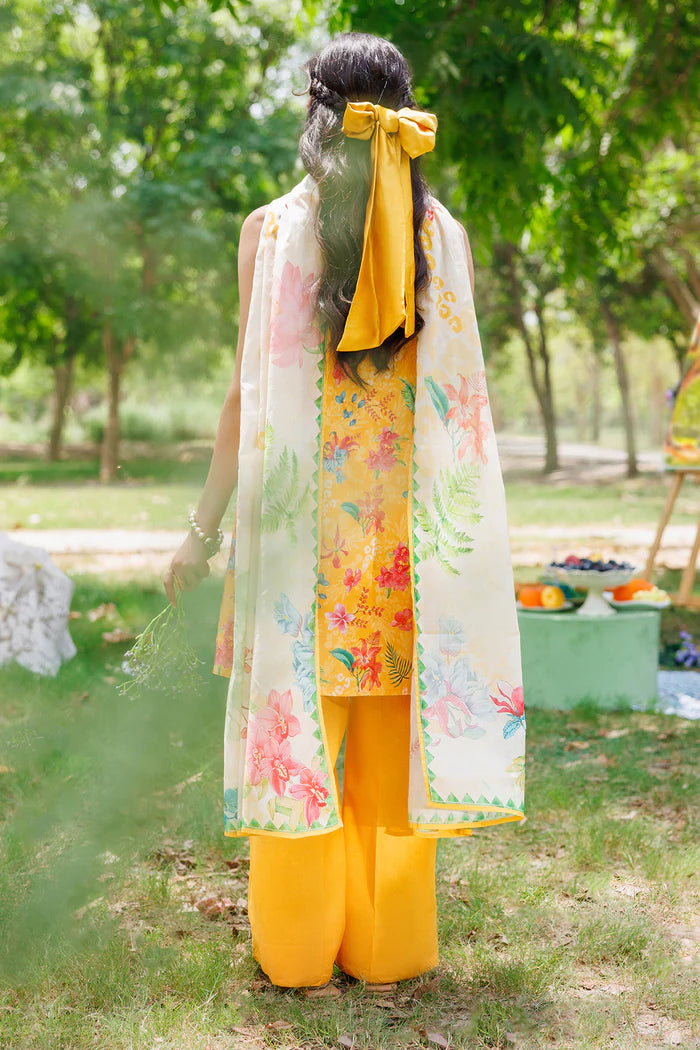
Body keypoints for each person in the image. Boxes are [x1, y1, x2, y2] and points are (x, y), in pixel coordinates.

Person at [165, 32, 526, 995]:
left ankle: (295, 953)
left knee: (301, 747)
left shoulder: (269, 231)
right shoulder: (443, 238)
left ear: (315, 117)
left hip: (301, 555)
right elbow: (460, 402)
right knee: (385, 751)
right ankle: (388, 947)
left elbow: (244, 400)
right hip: (408, 554)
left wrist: (201, 532)